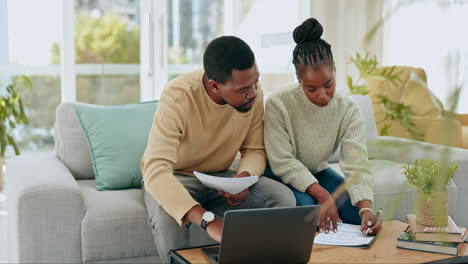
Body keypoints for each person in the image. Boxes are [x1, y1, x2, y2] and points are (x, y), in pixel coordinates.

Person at [141, 36, 295, 263]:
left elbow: (254, 149)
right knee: (169, 220)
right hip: (177, 177)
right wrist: (208, 221)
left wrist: (243, 179)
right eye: (243, 89)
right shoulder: (177, 97)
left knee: (282, 198)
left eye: (255, 83)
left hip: (221, 177)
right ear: (214, 86)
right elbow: (156, 169)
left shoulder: (252, 91)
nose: (252, 93)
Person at [264, 18, 382, 236]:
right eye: (311, 89)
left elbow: (357, 164)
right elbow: (282, 161)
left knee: (356, 213)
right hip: (277, 174)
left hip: (317, 171)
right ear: (298, 79)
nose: (323, 95)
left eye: (328, 84)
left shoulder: (348, 108)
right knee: (308, 207)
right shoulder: (278, 103)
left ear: (335, 70)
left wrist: (366, 208)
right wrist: (323, 195)